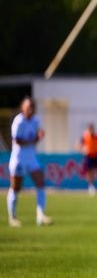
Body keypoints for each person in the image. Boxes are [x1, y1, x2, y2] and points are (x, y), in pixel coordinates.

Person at [7, 97, 52, 227]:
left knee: (40, 183)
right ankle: (12, 217)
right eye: (28, 107)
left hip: (31, 157)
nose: (30, 109)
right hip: (19, 158)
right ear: (23, 108)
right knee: (16, 187)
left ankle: (40, 215)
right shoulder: (18, 122)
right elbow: (17, 141)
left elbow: (37, 136)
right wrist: (34, 140)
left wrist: (40, 136)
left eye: (32, 107)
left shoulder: (36, 120)